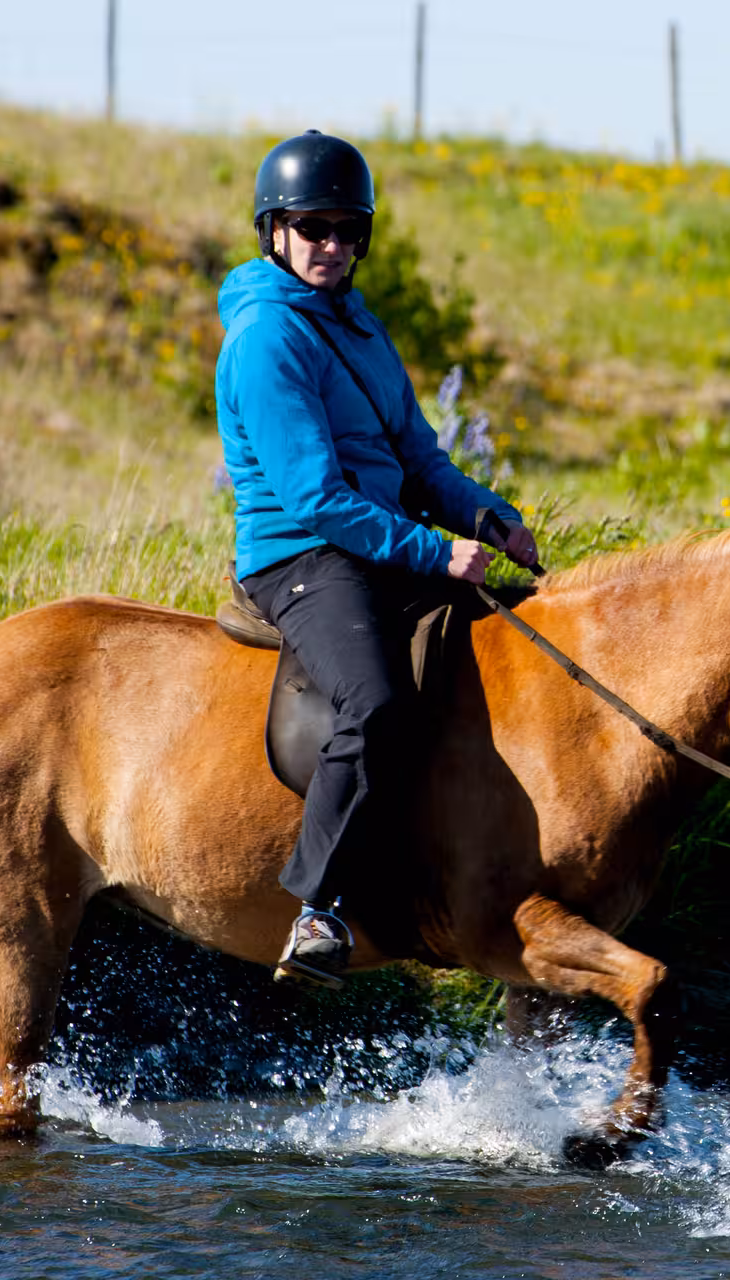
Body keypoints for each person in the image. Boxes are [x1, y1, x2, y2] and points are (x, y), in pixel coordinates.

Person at [215, 130, 538, 987]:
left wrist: (485, 513)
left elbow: (418, 455)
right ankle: (317, 909)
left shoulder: (359, 325)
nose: (332, 246)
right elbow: (315, 498)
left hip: (379, 543)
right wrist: (436, 550)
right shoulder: (264, 341)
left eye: (348, 231)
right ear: (273, 231)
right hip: (303, 558)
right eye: (313, 227)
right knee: (377, 700)